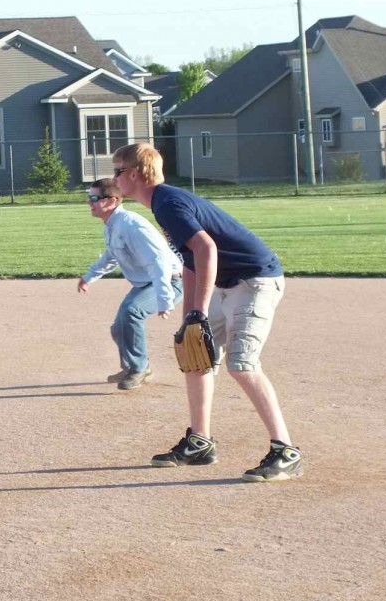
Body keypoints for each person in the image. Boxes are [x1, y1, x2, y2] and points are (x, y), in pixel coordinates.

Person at [111, 142, 302, 481]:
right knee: (195, 353)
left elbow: (206, 248)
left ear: (135, 174)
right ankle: (200, 442)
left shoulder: (167, 202)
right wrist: (190, 316)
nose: (114, 178)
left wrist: (199, 311)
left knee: (242, 365)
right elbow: (191, 261)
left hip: (255, 281)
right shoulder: (162, 203)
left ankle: (286, 450)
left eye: (118, 171)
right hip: (230, 283)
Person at [78, 177, 183, 390]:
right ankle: (132, 368)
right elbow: (112, 255)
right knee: (118, 328)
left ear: (112, 201)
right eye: (89, 197)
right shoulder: (113, 224)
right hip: (148, 283)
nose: (89, 202)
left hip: (170, 281)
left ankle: (139, 368)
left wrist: (165, 298)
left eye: (95, 198)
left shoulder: (132, 226)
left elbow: (159, 261)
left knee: (131, 311)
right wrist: (90, 276)